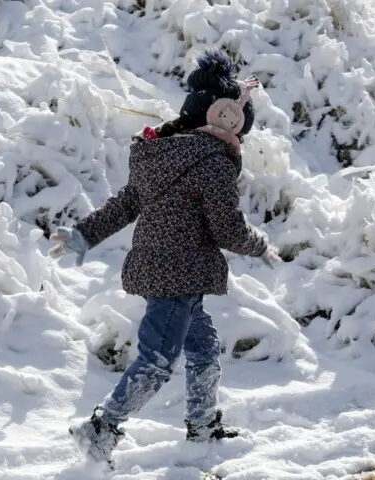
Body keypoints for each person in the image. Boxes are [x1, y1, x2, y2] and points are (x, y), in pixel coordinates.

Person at [48, 49, 281, 467]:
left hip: (162, 271)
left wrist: (84, 235)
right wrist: (259, 245)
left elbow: (125, 205)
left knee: (204, 348)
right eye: (242, 131)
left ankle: (202, 426)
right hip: (180, 275)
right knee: (157, 360)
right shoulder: (213, 162)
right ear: (226, 119)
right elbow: (227, 229)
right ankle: (101, 428)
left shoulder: (161, 154)